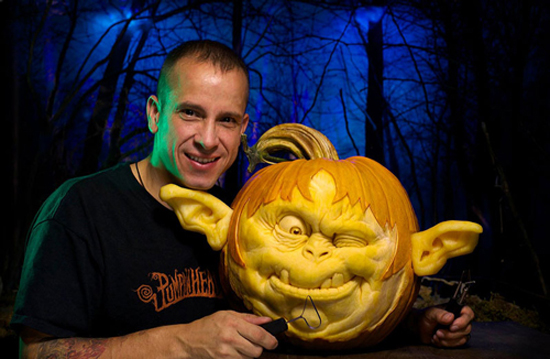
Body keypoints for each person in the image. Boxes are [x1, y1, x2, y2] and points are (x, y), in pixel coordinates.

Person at [11, 39, 473, 358]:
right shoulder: (81, 208)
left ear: (244, 129)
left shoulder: (246, 218)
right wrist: (181, 344)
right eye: (190, 113)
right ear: (155, 114)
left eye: (226, 120)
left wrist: (414, 323)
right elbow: (36, 352)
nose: (208, 140)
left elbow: (298, 313)